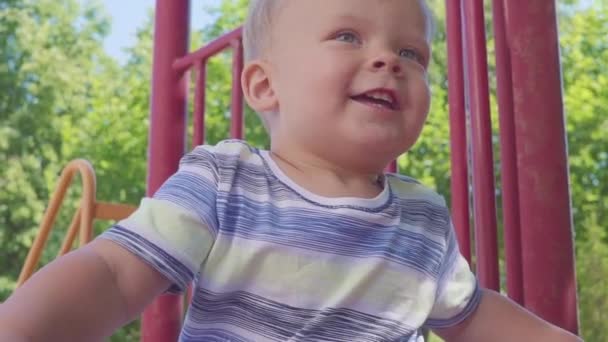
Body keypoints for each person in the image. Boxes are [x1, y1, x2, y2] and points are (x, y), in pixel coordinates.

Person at [0, 0, 583, 341]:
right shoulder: (224, 182)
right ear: (264, 84)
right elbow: (114, 272)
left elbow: (474, 315)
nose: (388, 60)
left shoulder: (423, 220)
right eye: (348, 36)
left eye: (412, 54)